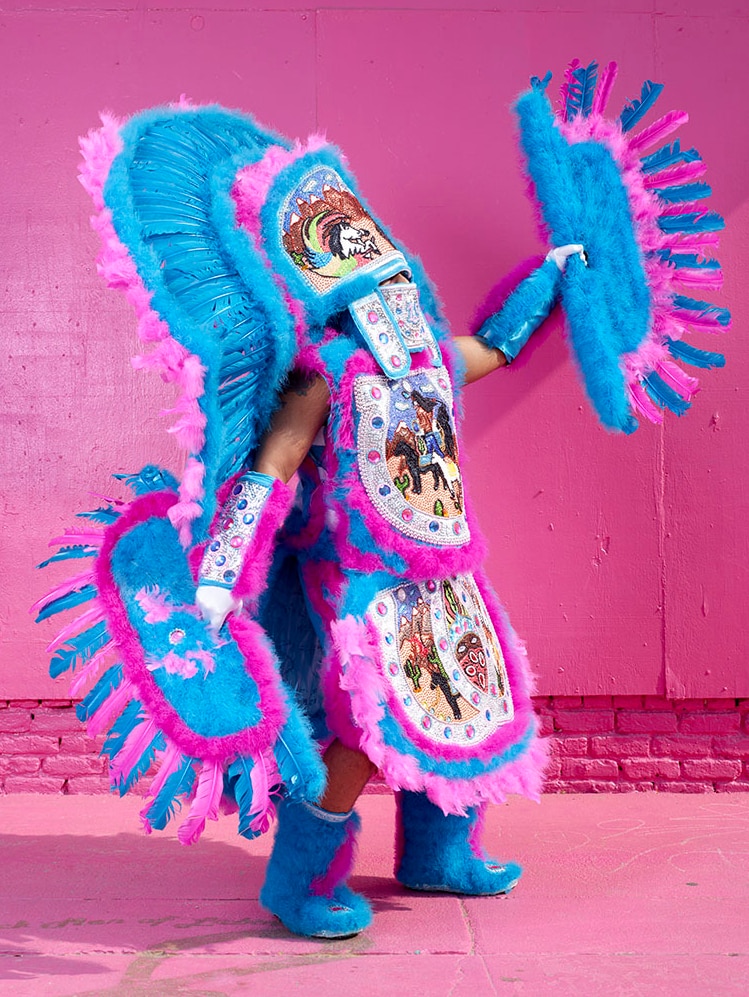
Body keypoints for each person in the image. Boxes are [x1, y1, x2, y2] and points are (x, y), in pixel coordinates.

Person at [193, 247, 583, 940]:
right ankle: (300, 879)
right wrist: (222, 568)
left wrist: (549, 273)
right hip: (357, 576)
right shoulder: (322, 373)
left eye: (402, 277)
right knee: (367, 724)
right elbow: (275, 464)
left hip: (443, 569)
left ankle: (440, 855)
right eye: (381, 283)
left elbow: (496, 344)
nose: (398, 294)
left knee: (460, 699)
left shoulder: (433, 358)